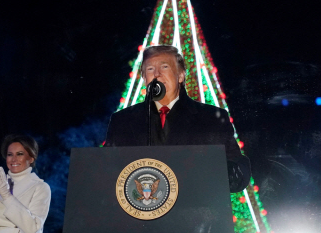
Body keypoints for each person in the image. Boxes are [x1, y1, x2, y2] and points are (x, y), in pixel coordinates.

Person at [105, 45, 251, 193]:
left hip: (192, 210)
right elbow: (105, 168)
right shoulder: (122, 121)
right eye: (149, 69)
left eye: (165, 67)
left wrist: (223, 174)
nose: (156, 74)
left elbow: (236, 167)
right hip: (138, 211)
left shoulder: (211, 118)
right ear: (144, 78)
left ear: (180, 75)